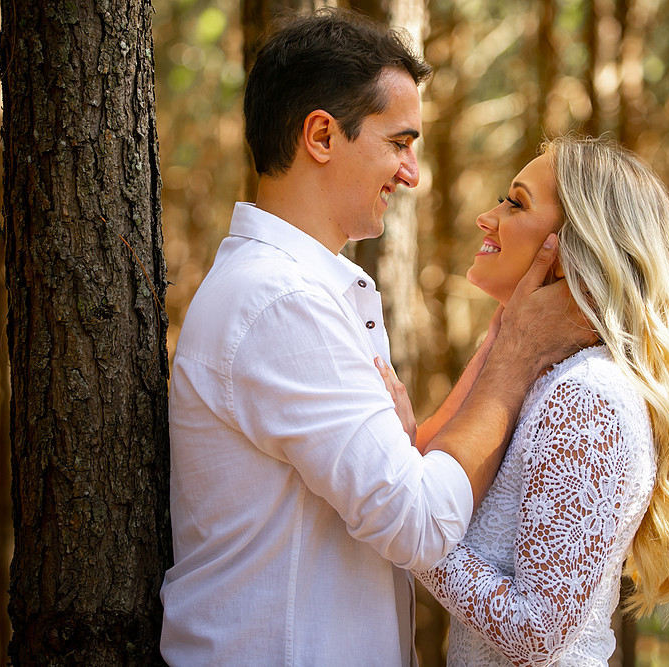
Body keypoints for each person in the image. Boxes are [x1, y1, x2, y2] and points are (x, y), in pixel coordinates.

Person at [159, 10, 595, 665]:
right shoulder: (280, 302)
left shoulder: (308, 291)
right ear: (322, 135)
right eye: (398, 142)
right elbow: (420, 523)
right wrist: (517, 355)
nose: (412, 173)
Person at [387, 136, 669, 666]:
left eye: (515, 203)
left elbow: (537, 629)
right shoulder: (543, 378)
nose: (485, 217)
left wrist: (408, 524)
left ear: (572, 249)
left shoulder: (587, 398)